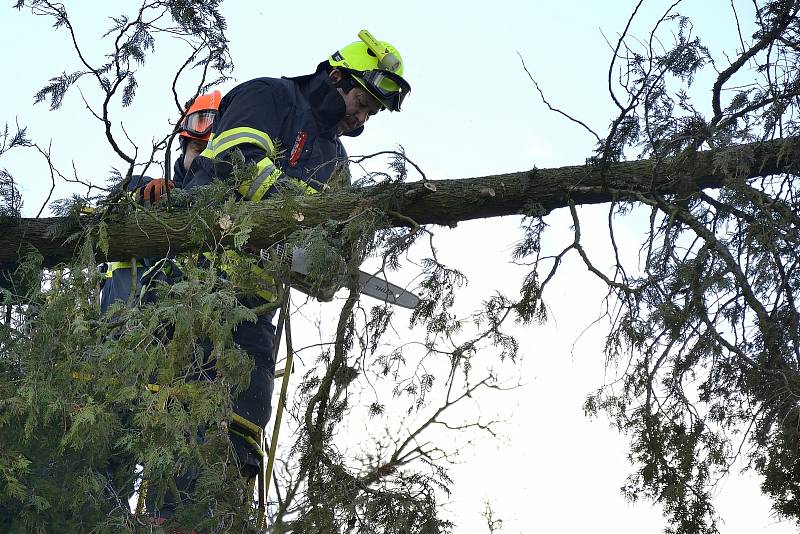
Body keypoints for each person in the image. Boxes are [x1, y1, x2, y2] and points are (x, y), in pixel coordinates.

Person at [159, 29, 410, 518]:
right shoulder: (270, 96)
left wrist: (326, 267)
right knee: (186, 414)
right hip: (198, 284)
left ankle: (220, 517)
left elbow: (337, 231)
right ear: (335, 77)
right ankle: (170, 519)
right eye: (361, 102)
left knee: (245, 423)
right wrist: (295, 217)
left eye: (371, 113)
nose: (361, 117)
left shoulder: (335, 159)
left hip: (256, 309)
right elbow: (236, 163)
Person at [99, 91, 221, 313]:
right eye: (198, 148)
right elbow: (110, 212)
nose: (203, 160)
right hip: (125, 323)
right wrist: (141, 195)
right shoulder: (148, 190)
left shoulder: (231, 213)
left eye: (211, 152)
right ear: (183, 147)